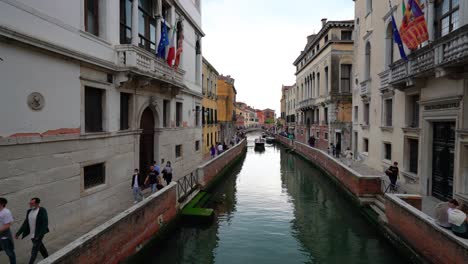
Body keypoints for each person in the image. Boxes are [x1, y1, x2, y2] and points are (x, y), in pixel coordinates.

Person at [15, 197, 49, 264]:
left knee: (34, 250)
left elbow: (45, 223)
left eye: (32, 203)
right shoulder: (29, 211)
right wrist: (18, 233)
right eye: (30, 203)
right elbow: (25, 223)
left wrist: (39, 235)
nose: (30, 204)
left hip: (38, 234)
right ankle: (47, 258)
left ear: (37, 203)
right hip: (32, 234)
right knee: (41, 247)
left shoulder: (42, 210)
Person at [0, 197, 16, 264]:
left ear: (2, 204)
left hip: (5, 238)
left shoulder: (6, 212)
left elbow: (7, 225)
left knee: (10, 253)